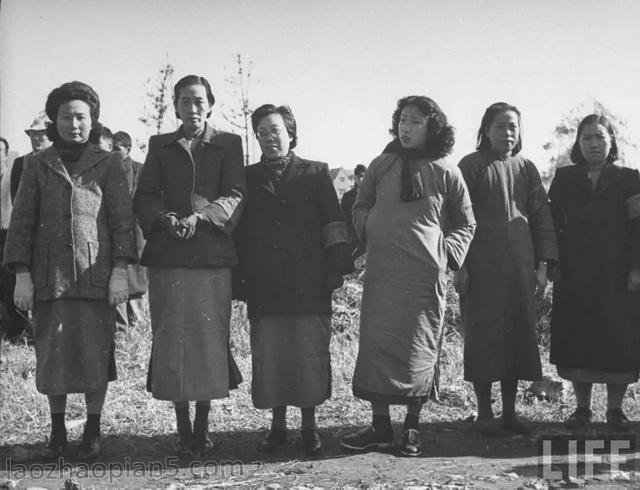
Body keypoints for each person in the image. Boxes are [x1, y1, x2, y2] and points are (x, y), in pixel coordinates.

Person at [3, 81, 136, 461]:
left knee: (95, 355)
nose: (73, 124)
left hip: (96, 276)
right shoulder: (35, 164)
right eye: (66, 116)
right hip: (50, 280)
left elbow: (122, 222)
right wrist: (23, 277)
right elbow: (23, 223)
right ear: (54, 120)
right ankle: (57, 432)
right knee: (53, 357)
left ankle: (92, 432)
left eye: (81, 116)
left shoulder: (109, 163)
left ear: (92, 120)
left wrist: (120, 272)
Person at [340, 96, 476, 457]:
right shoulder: (381, 164)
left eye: (415, 121)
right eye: (402, 120)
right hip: (382, 273)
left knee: (419, 346)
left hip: (423, 278)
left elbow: (466, 222)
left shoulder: (448, 171)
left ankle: (412, 428)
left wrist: (446, 256)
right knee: (376, 344)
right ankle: (380, 426)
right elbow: (360, 203)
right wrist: (368, 227)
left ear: (432, 127)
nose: (406, 127)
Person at [134, 74, 246, 458]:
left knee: (206, 340)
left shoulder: (229, 144)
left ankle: (203, 427)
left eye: (199, 101)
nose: (192, 108)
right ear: (176, 106)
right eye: (185, 101)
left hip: (211, 258)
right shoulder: (159, 145)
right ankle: (182, 428)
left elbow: (235, 194)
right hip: (168, 258)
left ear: (210, 104)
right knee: (172, 339)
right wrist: (164, 218)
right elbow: (145, 195)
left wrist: (202, 218)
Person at [234, 104, 353, 457]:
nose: (270, 137)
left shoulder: (315, 173)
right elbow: (240, 233)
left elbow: (333, 223)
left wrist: (334, 270)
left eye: (276, 130)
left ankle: (310, 427)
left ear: (291, 133)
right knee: (271, 355)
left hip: (308, 281)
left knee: (307, 354)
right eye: (263, 131)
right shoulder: (248, 177)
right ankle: (277, 426)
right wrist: (240, 278)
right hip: (266, 283)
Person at [455, 102, 558, 436]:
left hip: (519, 264)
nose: (508, 132)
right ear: (485, 130)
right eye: (500, 126)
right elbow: (456, 218)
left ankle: (510, 413)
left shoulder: (526, 167)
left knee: (515, 335)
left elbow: (541, 217)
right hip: (480, 266)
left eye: (513, 126)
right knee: (484, 335)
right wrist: (460, 266)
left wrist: (542, 265)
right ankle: (485, 413)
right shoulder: (469, 166)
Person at [548, 114, 640, 432]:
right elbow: (552, 226)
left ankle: (615, 410)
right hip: (575, 274)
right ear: (578, 143)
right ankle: (582, 409)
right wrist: (552, 263)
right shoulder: (564, 178)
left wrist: (635, 267)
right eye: (586, 137)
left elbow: (637, 226)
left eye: (600, 136)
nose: (593, 143)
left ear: (611, 141)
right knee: (579, 339)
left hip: (617, 276)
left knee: (618, 339)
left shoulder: (630, 178)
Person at [112, 131, 147, 328]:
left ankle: (139, 326)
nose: (113, 154)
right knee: (118, 276)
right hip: (115, 233)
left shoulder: (140, 170)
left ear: (128, 149)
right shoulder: (107, 170)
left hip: (136, 232)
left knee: (136, 277)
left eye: (117, 150)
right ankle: (121, 327)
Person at [10, 112, 53, 201]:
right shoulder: (20, 163)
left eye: (40, 134)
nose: (35, 138)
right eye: (32, 134)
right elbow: (15, 199)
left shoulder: (59, 161)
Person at [341, 164, 366, 258]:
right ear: (355, 177)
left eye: (364, 176)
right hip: (351, 235)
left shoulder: (370, 196)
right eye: (359, 176)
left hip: (366, 235)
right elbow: (343, 217)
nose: (361, 179)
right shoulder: (347, 196)